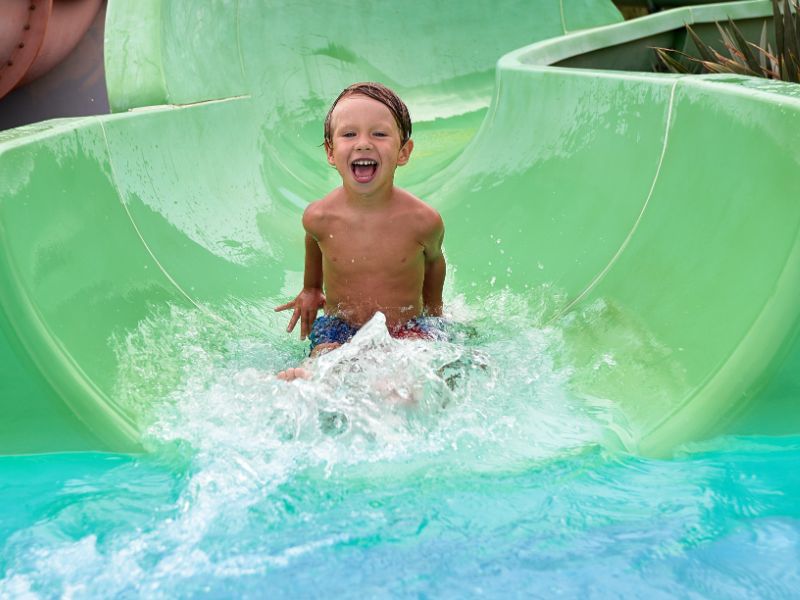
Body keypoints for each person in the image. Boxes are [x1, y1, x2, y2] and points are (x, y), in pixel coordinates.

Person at [275, 82, 446, 381]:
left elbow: (434, 262)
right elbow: (314, 239)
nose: (363, 143)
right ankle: (314, 379)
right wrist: (312, 288)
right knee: (326, 356)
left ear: (403, 152)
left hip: (404, 328)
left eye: (379, 134)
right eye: (349, 134)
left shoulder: (423, 221)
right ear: (330, 152)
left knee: (411, 373)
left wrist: (434, 314)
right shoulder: (320, 217)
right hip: (342, 325)